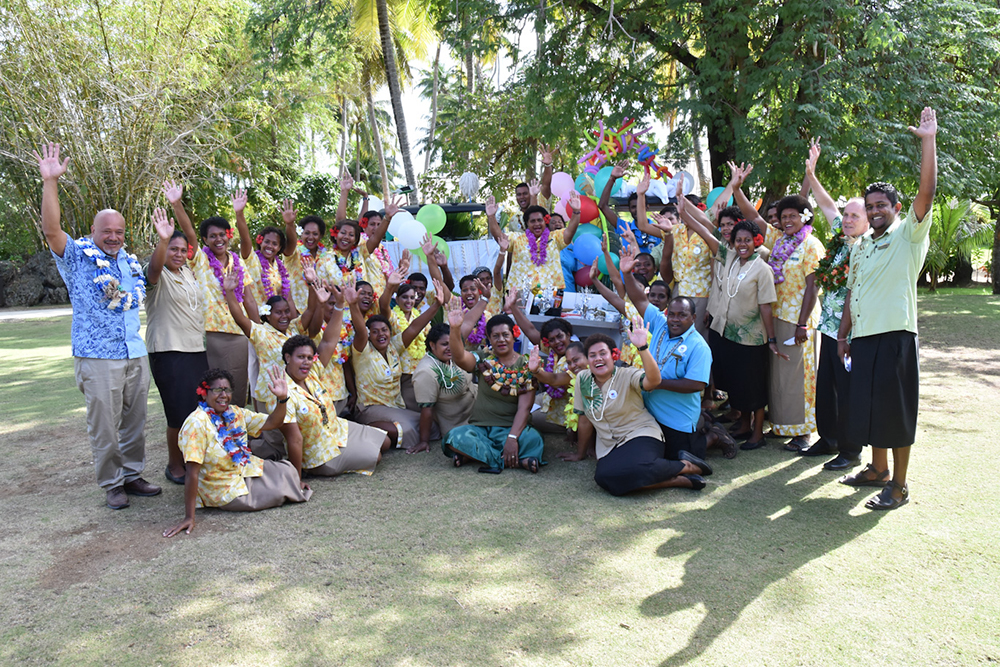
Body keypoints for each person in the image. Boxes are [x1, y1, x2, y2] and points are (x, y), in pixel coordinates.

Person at [36, 143, 160, 510]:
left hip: (134, 352)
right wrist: (50, 182)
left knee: (135, 422)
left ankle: (133, 475)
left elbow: (150, 280)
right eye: (106, 231)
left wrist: (165, 240)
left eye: (119, 231)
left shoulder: (129, 264)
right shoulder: (77, 257)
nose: (113, 237)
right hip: (97, 356)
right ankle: (112, 483)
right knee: (104, 426)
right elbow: (51, 229)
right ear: (92, 230)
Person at [837, 107, 938, 510]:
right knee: (871, 409)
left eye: (882, 205)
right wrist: (844, 335)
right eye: (870, 205)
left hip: (895, 336)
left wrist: (927, 141)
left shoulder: (908, 237)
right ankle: (876, 470)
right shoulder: (861, 246)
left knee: (895, 413)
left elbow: (927, 192)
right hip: (862, 339)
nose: (876, 210)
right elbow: (851, 292)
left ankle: (899, 485)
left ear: (895, 209)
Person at [673, 194, 784, 450]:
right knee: (736, 382)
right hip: (727, 333)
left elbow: (766, 307)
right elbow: (706, 230)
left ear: (755, 242)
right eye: (738, 240)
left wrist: (772, 339)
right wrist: (686, 214)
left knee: (753, 386)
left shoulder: (762, 268)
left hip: (752, 337)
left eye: (747, 240)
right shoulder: (730, 257)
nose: (742, 244)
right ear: (733, 243)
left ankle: (757, 433)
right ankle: (743, 425)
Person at [162, 367, 311, 537]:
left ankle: (288, 483)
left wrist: (282, 399)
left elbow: (272, 422)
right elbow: (192, 473)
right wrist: (189, 517)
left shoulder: (235, 412)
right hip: (224, 488)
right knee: (281, 491)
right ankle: (285, 486)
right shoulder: (196, 424)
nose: (223, 395)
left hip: (245, 469)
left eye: (227, 390)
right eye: (217, 390)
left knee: (288, 470)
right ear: (204, 393)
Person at [559, 332, 714, 495]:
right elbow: (584, 420)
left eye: (602, 353)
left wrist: (642, 348)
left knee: (634, 469)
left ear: (613, 356)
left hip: (640, 434)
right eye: (592, 355)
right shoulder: (582, 380)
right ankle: (679, 479)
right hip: (609, 446)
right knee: (604, 477)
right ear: (588, 360)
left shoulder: (628, 374)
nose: (598, 358)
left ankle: (686, 466)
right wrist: (580, 454)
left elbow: (654, 381)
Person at [799, 139, 869, 469]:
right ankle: (827, 439)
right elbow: (827, 206)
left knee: (847, 391)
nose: (848, 219)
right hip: (826, 327)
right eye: (847, 215)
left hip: (851, 333)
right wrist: (811, 174)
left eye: (856, 215)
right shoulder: (841, 241)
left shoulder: (867, 248)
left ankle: (850, 449)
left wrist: (846, 335)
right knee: (825, 387)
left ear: (868, 220)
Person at [165, 180, 255, 407]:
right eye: (212, 236)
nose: (218, 239)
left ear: (228, 236)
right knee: (214, 391)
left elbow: (250, 298)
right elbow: (189, 234)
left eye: (222, 234)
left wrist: (258, 330)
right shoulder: (201, 260)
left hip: (239, 333)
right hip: (211, 333)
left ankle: (235, 433)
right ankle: (213, 434)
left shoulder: (237, 261)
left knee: (237, 389)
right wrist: (176, 204)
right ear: (205, 240)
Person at [621, 250, 715, 460]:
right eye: (671, 314)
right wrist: (627, 274)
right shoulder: (660, 324)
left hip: (677, 418)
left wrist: (656, 383)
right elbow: (639, 299)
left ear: (693, 318)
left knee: (680, 457)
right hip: (649, 411)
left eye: (682, 315)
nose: (674, 319)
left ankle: (713, 436)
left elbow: (697, 384)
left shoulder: (699, 346)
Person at [145, 208, 210, 485]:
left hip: (195, 350)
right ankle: (174, 464)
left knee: (197, 409)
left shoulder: (189, 273)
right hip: (168, 351)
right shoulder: (157, 275)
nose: (178, 254)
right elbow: (155, 268)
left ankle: (192, 458)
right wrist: (163, 240)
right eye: (173, 249)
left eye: (183, 250)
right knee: (177, 411)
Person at [349, 274, 447, 449]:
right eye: (375, 332)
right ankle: (362, 429)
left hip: (395, 407)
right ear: (369, 335)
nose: (381, 335)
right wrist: (352, 304)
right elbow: (360, 331)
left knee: (431, 425)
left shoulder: (394, 346)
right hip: (370, 407)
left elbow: (416, 327)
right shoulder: (362, 351)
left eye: (384, 330)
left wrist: (436, 305)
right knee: (407, 429)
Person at [443, 311, 544, 473]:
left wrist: (512, 438)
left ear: (514, 335)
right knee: (453, 437)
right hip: (481, 429)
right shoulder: (483, 358)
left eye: (505, 334)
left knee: (534, 440)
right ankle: (516, 461)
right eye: (495, 336)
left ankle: (474, 455)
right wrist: (455, 329)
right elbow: (460, 357)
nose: (501, 339)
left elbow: (524, 408)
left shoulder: (527, 364)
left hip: (513, 429)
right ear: (489, 339)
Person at [278, 335, 390, 477]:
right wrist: (296, 478)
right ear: (288, 358)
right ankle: (313, 469)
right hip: (320, 453)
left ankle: (356, 447)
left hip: (338, 430)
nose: (306, 362)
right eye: (300, 357)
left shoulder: (311, 374)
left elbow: (328, 341)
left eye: (309, 358)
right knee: (376, 456)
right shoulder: (282, 392)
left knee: (385, 442)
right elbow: (294, 439)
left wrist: (338, 310)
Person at [767, 193, 825, 451]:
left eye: (792, 215)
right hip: (778, 316)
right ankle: (782, 425)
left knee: (801, 377)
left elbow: (813, 285)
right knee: (781, 377)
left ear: (805, 217)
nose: (787, 220)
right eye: (783, 216)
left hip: (799, 320)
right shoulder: (780, 242)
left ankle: (804, 432)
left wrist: (802, 323)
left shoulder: (811, 244)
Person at [485, 192, 581, 294]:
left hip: (551, 292)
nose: (537, 224)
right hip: (520, 292)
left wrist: (576, 212)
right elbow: (500, 237)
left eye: (540, 220)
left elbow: (570, 231)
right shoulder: (517, 238)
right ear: (527, 223)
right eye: (533, 221)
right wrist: (491, 217)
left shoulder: (555, 237)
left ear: (545, 222)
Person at [410, 323, 478, 454]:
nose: (450, 348)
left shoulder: (456, 355)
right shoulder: (426, 372)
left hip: (478, 410)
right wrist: (424, 441)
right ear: (432, 345)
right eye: (444, 344)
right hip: (460, 425)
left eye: (452, 343)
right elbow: (426, 410)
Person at [243, 223, 298, 315]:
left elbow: (288, 298)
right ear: (260, 242)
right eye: (267, 242)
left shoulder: (280, 268)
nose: (270, 246)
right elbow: (245, 239)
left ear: (279, 247)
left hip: (276, 319)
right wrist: (239, 214)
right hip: (255, 318)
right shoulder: (252, 260)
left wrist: (293, 323)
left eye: (275, 244)